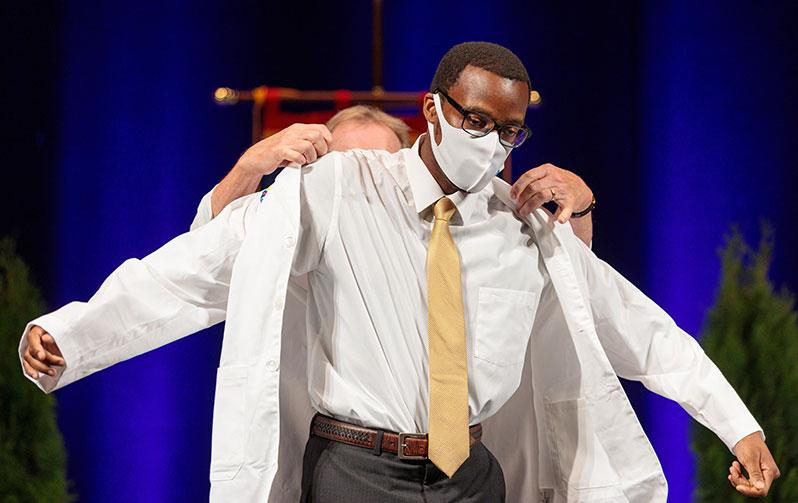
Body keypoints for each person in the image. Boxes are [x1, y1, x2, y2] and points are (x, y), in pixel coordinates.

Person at [18, 42, 777, 502]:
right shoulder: (339, 189)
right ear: (433, 109)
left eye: (508, 130)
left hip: (472, 476)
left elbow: (637, 325)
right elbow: (192, 269)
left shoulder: (520, 222)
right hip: (356, 470)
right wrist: (72, 333)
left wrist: (736, 422)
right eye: (474, 120)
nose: (489, 141)